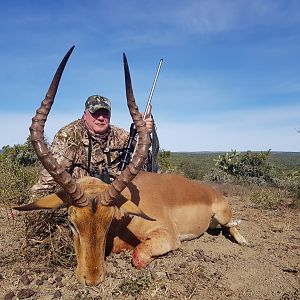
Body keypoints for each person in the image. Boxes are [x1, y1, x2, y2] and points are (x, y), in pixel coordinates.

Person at [30, 95, 153, 200]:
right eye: (95, 113)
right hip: (80, 200)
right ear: (85, 115)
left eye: (104, 114)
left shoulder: (121, 136)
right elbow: (51, 176)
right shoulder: (69, 135)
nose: (100, 118)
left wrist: (145, 133)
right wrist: (36, 203)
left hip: (111, 198)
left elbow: (145, 163)